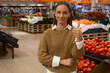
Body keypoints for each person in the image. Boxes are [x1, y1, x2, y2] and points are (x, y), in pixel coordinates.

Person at [38, 2, 85, 73]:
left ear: (69, 14)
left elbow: (77, 55)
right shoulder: (47, 33)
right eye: (59, 12)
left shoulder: (75, 32)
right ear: (55, 14)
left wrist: (79, 40)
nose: (61, 16)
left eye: (65, 13)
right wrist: (61, 61)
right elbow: (41, 57)